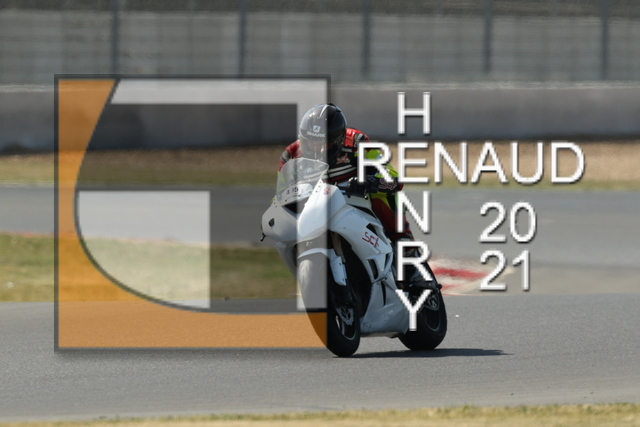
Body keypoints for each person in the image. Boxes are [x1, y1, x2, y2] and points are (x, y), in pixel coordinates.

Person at [278, 103, 425, 287]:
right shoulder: (291, 154)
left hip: (355, 198)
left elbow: (391, 175)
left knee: (382, 196)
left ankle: (406, 250)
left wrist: (369, 181)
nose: (317, 149)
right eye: (310, 142)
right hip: (316, 207)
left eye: (324, 143)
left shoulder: (357, 141)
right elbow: (280, 193)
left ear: (339, 139)